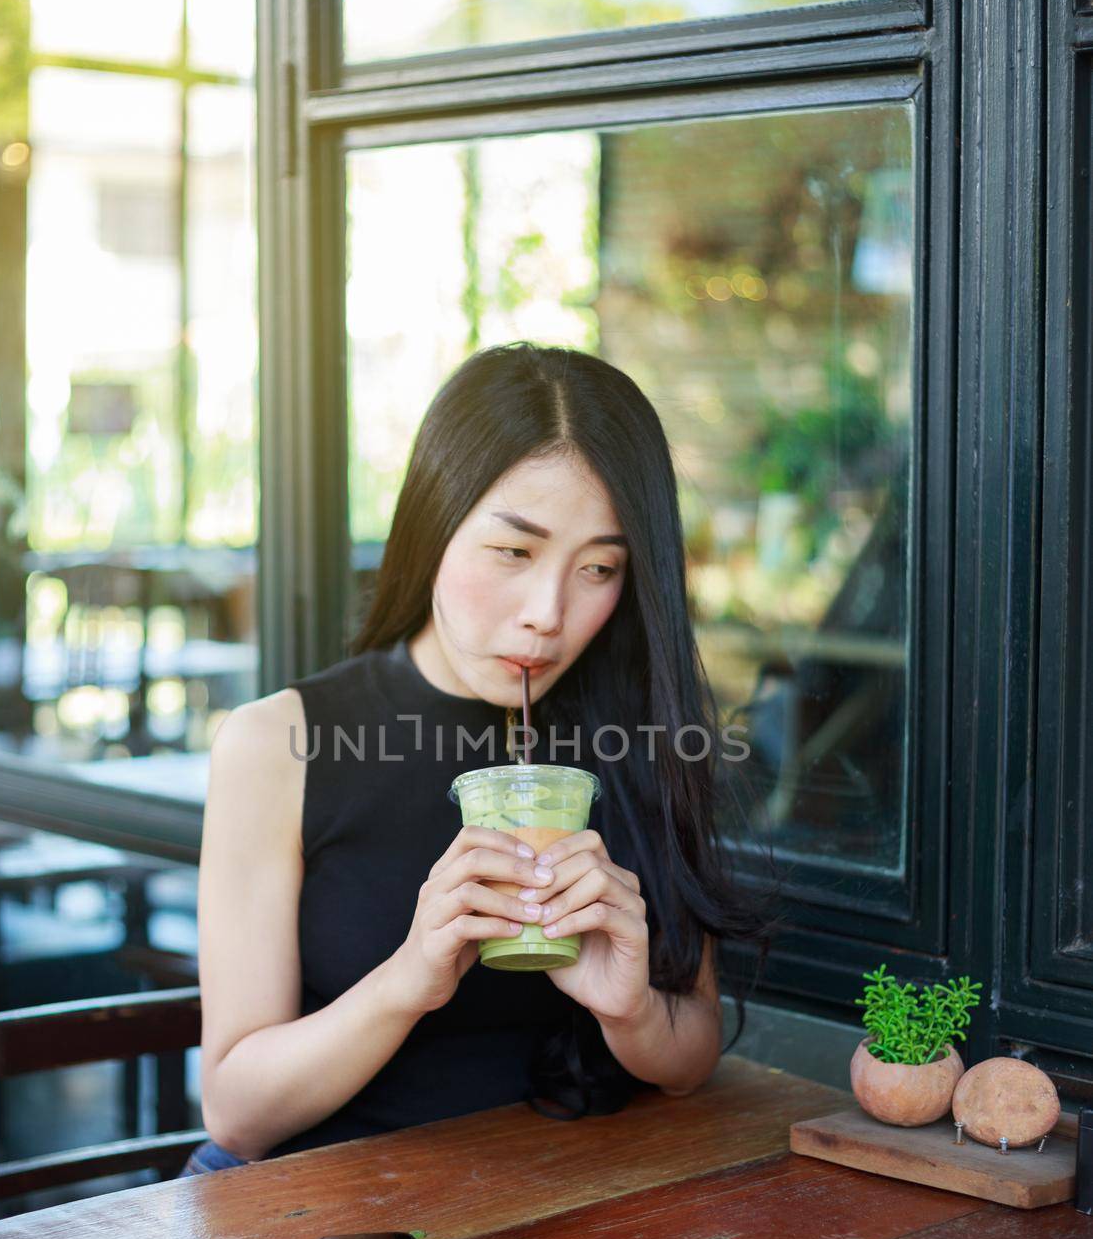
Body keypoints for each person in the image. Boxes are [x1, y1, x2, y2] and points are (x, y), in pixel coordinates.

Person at [181, 341, 780, 1176]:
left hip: (572, 1208)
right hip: (333, 1221)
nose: (549, 614)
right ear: (434, 524)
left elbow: (688, 1063)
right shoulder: (277, 745)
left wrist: (633, 1010)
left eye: (599, 567)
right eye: (513, 552)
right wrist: (410, 979)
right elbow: (237, 1116)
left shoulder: (647, 734)